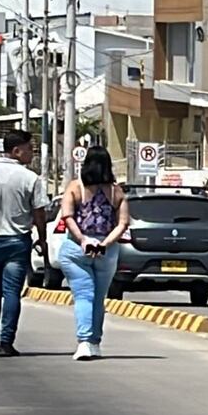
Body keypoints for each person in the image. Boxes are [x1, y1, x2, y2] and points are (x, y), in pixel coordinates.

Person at [0, 130, 48, 357]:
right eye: (29, 149)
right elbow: (39, 213)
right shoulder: (30, 178)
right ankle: (6, 341)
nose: (31, 154)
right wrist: (42, 240)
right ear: (16, 151)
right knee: (12, 292)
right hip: (17, 242)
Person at [56, 146, 130, 361]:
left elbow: (67, 216)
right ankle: (94, 342)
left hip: (76, 249)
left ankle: (85, 341)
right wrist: (104, 244)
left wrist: (83, 240)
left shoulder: (74, 187)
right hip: (106, 249)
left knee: (83, 295)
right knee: (98, 297)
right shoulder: (117, 191)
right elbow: (123, 223)